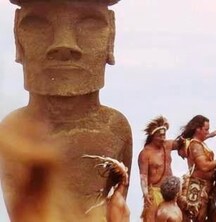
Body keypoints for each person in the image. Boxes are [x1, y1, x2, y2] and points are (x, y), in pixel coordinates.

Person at [1, 0, 132, 219]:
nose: (63, 45)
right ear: (18, 39)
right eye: (39, 23)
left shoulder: (116, 129)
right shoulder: (13, 132)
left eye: (89, 23)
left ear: (111, 37)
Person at [175, 115, 216, 222]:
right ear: (198, 129)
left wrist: (211, 134)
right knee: (196, 217)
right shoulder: (195, 146)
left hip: (204, 188)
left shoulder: (196, 143)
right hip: (197, 188)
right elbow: (204, 166)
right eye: (206, 129)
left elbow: (196, 139)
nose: (208, 131)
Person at [138, 116, 175, 222]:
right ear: (153, 136)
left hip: (171, 193)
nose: (163, 138)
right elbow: (143, 176)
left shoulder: (167, 145)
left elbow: (184, 143)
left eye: (164, 135)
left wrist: (208, 135)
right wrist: (145, 193)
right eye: (160, 136)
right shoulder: (145, 153)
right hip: (155, 192)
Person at [83, 155, 131, 222]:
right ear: (122, 180)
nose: (127, 177)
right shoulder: (116, 200)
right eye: (125, 175)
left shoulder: (117, 198)